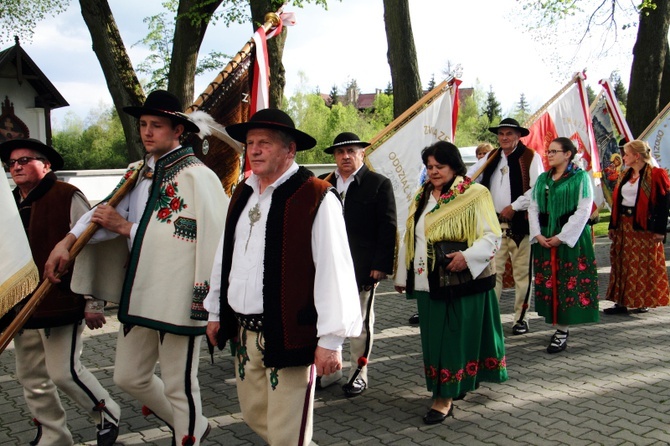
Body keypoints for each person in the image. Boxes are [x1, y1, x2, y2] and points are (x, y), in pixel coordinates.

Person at [45, 90, 226, 446]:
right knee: (129, 377)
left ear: (178, 130)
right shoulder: (137, 173)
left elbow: (204, 238)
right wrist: (66, 242)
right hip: (141, 292)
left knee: (178, 384)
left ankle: (186, 435)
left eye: (156, 125)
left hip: (180, 294)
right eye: (143, 124)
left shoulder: (197, 176)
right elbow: (103, 214)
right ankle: (194, 425)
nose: (147, 132)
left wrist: (126, 228)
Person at [203, 109, 362, 445]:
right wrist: (216, 311)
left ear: (290, 150)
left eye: (265, 143)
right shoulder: (242, 192)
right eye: (250, 143)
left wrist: (331, 340)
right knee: (254, 415)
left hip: (292, 335)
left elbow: (335, 271)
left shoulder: (316, 195)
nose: (255, 150)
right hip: (245, 335)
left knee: (287, 434)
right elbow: (224, 256)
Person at [0, 138, 121, 446]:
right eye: (12, 163)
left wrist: (93, 301)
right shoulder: (9, 204)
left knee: (64, 372)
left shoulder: (66, 195)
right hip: (19, 306)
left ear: (46, 164)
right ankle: (53, 436)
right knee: (31, 378)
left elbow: (91, 243)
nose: (16, 166)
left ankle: (107, 413)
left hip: (60, 300)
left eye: (25, 160)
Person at [394, 141, 507, 425]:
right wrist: (402, 275)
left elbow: (492, 235)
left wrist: (467, 257)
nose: (433, 172)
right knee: (434, 341)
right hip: (426, 282)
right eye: (429, 167)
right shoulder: (422, 195)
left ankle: (443, 398)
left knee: (451, 340)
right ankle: (449, 387)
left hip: (459, 281)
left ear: (454, 166)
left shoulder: (474, 194)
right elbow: (412, 236)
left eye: (439, 166)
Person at [317, 132, 397, 397]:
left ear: (362, 153)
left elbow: (388, 227)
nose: (345, 156)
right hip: (328, 265)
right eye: (340, 152)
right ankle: (330, 371)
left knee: (361, 322)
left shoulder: (378, 183)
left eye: (351, 151)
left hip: (362, 265)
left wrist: (380, 264)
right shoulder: (323, 184)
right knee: (327, 317)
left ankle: (359, 372)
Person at [467, 118, 544, 335]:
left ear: (518, 136)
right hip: (493, 225)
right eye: (501, 134)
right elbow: (471, 176)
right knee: (493, 273)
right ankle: (490, 318)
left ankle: (521, 318)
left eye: (509, 134)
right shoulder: (492, 157)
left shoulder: (531, 157)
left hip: (521, 225)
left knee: (522, 275)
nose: (504, 138)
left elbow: (537, 189)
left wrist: (515, 206)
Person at [528, 137, 599, 353]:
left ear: (567, 154)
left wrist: (562, 236)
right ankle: (557, 324)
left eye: (554, 151)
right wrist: (538, 234)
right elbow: (533, 206)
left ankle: (562, 330)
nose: (548, 155)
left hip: (571, 238)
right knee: (551, 281)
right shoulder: (542, 179)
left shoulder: (580, 178)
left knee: (567, 280)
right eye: (548, 151)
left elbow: (584, 209)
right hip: (546, 237)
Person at [605, 139, 670, 314]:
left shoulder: (656, 174)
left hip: (644, 226)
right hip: (624, 226)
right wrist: (613, 225)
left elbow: (663, 205)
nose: (623, 157)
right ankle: (621, 302)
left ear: (637, 156)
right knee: (622, 262)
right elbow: (617, 202)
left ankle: (642, 300)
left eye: (626, 154)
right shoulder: (624, 175)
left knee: (643, 264)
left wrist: (660, 230)